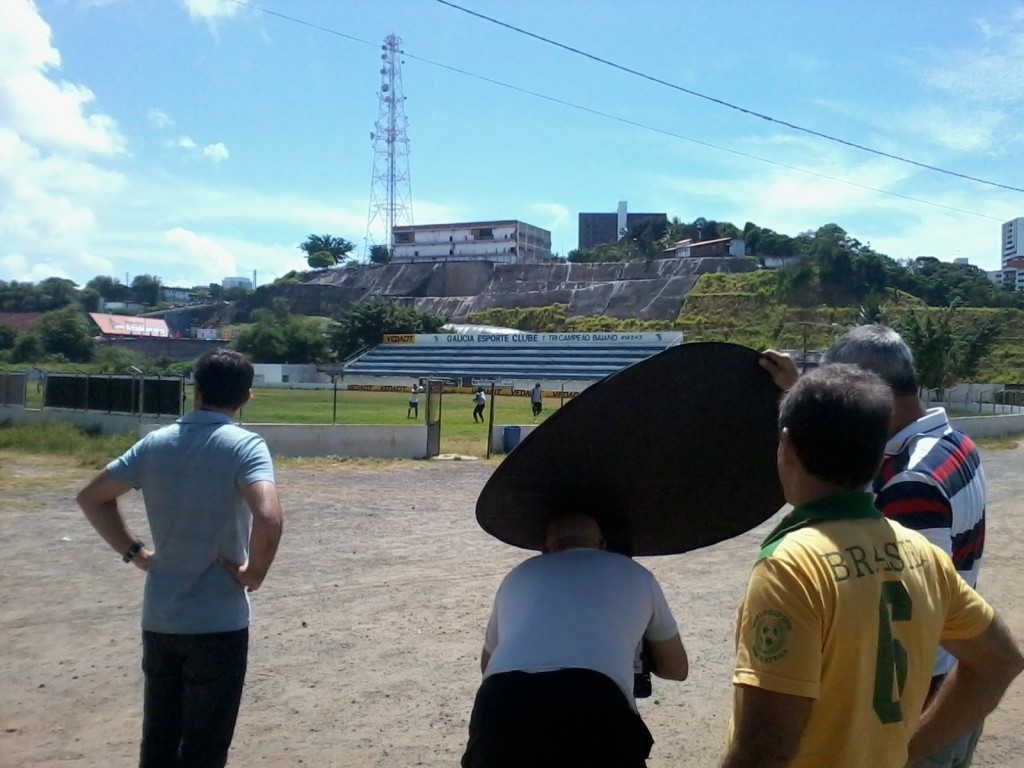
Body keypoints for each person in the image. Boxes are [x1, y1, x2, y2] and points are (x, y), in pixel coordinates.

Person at [721, 364, 1022, 768]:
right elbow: (1000, 660)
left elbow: (766, 748)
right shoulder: (922, 553)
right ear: (880, 455)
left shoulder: (791, 567)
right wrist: (907, 750)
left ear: (787, 446)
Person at [76, 349, 284, 768]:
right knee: (205, 746)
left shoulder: (156, 442)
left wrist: (135, 553)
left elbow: (92, 497)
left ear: (196, 390)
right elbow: (268, 517)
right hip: (218, 620)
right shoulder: (244, 445)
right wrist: (254, 574)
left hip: (161, 615)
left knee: (158, 740)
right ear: (247, 396)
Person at [463, 513, 688, 767]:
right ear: (602, 546)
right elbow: (676, 668)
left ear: (545, 549)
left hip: (499, 702)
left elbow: (487, 664)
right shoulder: (636, 574)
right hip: (592, 700)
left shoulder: (517, 575)